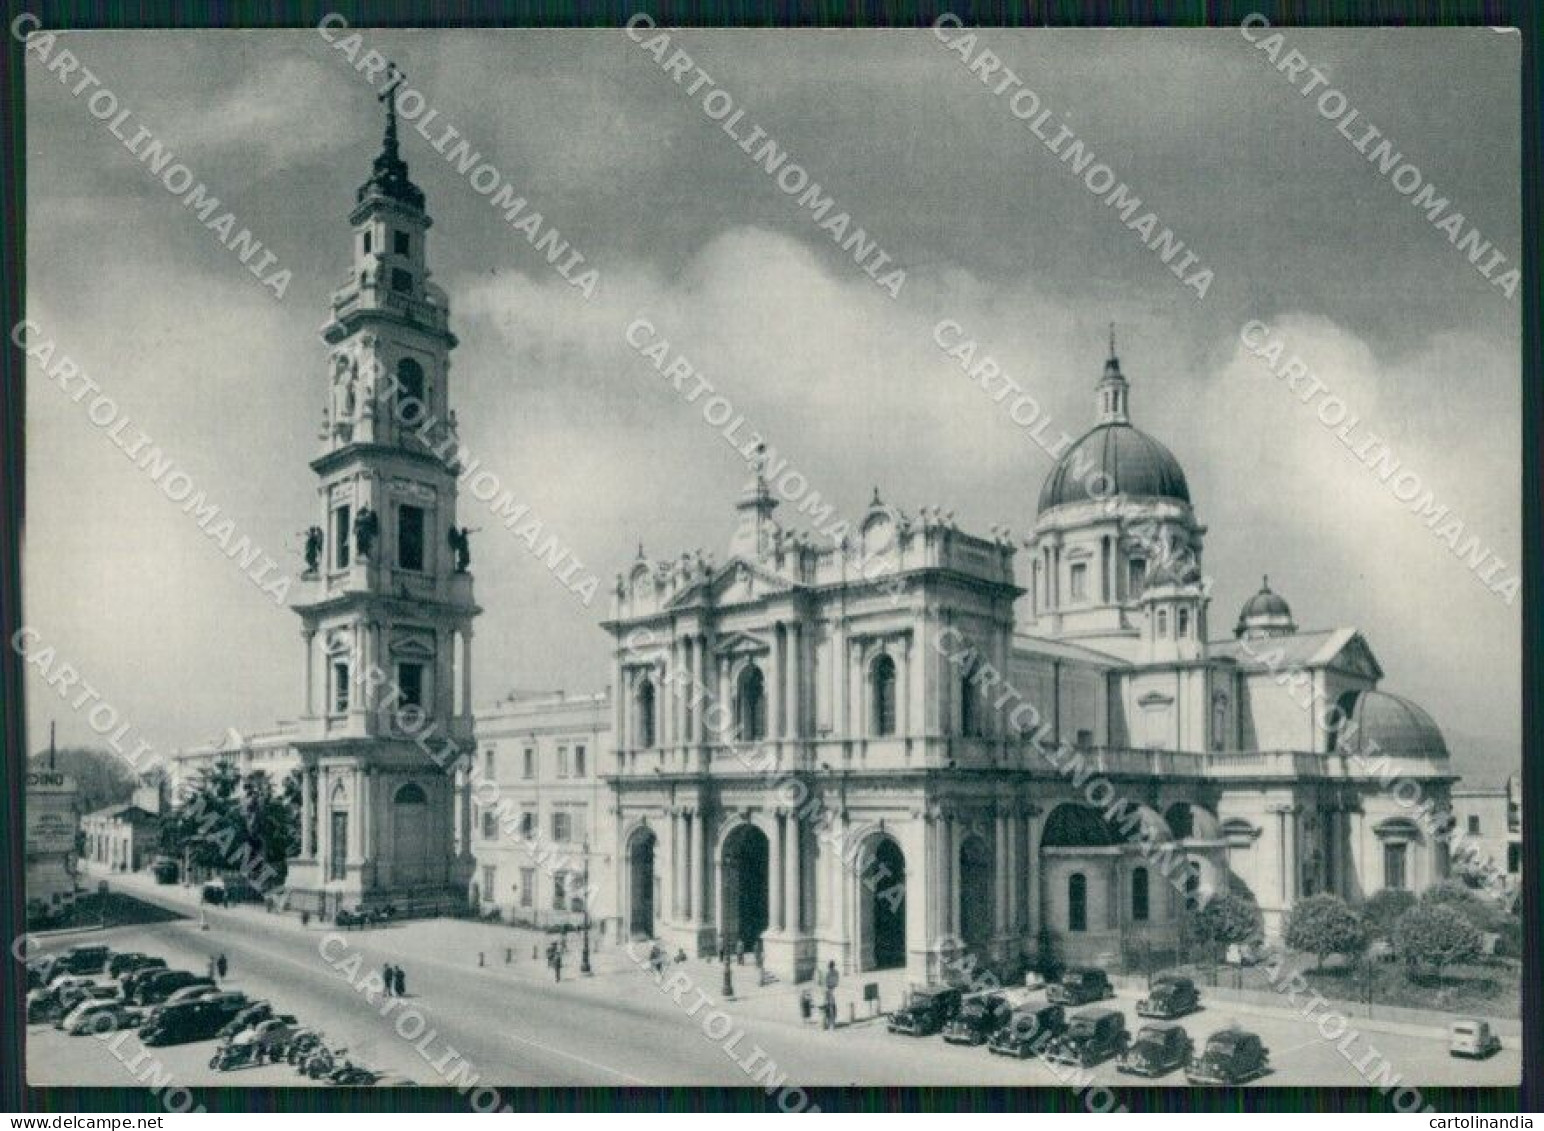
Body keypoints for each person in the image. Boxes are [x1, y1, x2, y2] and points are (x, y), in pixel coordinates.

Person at [822, 960, 840, 1030]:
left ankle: (828, 1024)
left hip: (828, 991)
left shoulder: (828, 973)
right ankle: (831, 1023)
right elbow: (836, 982)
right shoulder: (836, 972)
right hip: (833, 990)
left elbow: (825, 983)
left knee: (827, 1007)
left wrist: (827, 990)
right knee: (832, 1007)